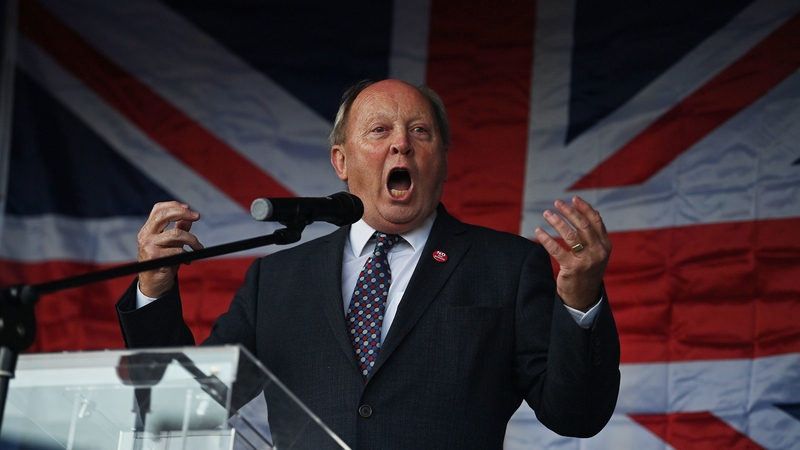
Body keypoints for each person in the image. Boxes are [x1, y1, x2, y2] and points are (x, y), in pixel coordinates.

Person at [117, 79, 620, 449]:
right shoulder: (277, 280)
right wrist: (153, 292)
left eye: (419, 131)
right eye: (379, 130)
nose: (401, 143)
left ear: (441, 157)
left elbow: (575, 415)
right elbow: (182, 410)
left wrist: (580, 301)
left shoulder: (507, 267)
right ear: (341, 162)